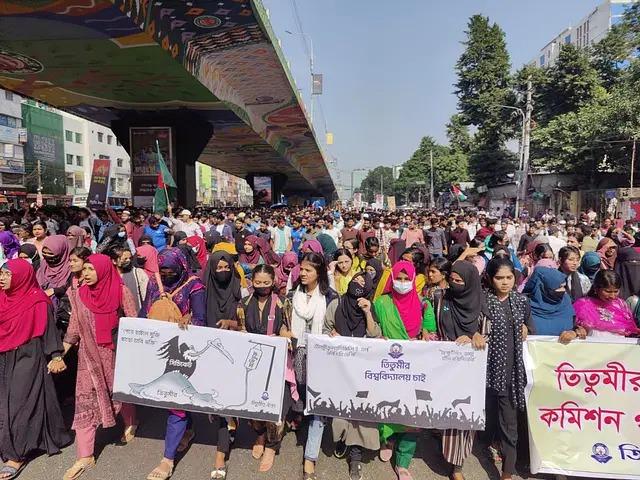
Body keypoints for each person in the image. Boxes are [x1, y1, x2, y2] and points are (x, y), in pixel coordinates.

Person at [62, 254, 138, 480]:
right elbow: (74, 326)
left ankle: (131, 421)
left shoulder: (120, 291)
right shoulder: (79, 295)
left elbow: (134, 321)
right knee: (85, 400)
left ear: (103, 270)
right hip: (88, 358)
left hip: (114, 354)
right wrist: (60, 354)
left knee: (118, 392)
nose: (85, 273)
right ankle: (85, 454)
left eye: (91, 269)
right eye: (84, 269)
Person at [0, 259, 71, 479]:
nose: (1, 278)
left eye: (6, 274)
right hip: (3, 355)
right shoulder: (2, 299)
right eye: (1, 273)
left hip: (28, 356)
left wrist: (56, 355)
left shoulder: (38, 301)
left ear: (21, 277)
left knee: (20, 404)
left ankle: (17, 455)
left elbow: (49, 332)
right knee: (4, 402)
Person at [142, 249, 206, 480]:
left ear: (181, 267)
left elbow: (201, 319)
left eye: (172, 271)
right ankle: (187, 430)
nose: (167, 275)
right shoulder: (154, 282)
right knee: (173, 398)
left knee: (176, 404)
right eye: (164, 271)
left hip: (181, 352)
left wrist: (189, 321)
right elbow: (144, 312)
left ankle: (167, 460)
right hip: (159, 349)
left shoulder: (194, 286)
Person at [372, 260, 436, 480]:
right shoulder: (381, 303)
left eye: (406, 279)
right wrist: (378, 336)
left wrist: (427, 333)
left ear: (413, 279)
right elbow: (373, 328)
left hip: (414, 367)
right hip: (387, 364)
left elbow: (430, 329)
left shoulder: (423, 303)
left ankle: (403, 462)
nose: (401, 283)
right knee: (386, 404)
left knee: (412, 412)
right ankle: (386, 439)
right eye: (398, 279)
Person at [235, 265, 293, 473]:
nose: (262, 287)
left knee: (274, 404)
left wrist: (285, 335)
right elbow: (241, 327)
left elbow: (287, 327)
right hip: (253, 359)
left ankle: (272, 445)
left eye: (266, 283)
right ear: (252, 282)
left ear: (273, 282)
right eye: (257, 283)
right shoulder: (244, 302)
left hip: (276, 361)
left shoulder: (282, 303)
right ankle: (259, 433)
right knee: (253, 401)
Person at [431, 261, 485, 480]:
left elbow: (488, 331)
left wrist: (476, 337)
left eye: (460, 281)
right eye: (452, 279)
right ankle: (440, 439)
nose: (454, 284)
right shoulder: (440, 297)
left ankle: (457, 466)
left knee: (462, 415)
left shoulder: (482, 302)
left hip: (471, 370)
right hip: (443, 366)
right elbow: (433, 325)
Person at [324, 273, 380, 480]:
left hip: (363, 370)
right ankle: (342, 438)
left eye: (364, 284)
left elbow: (375, 335)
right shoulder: (336, 303)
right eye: (356, 280)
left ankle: (356, 457)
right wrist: (332, 336)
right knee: (340, 410)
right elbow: (326, 328)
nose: (359, 285)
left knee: (360, 412)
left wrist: (367, 313)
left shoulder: (370, 306)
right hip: (339, 368)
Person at [287, 252, 338, 480]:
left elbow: (338, 325)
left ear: (319, 272)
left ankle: (310, 458)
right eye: (302, 269)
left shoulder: (330, 297)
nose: (303, 273)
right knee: (298, 398)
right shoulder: (290, 296)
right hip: (294, 356)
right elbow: (282, 321)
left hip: (320, 359)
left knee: (317, 407)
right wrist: (283, 330)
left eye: (308, 269)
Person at [482, 258, 533, 480]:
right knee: (489, 417)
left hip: (513, 375)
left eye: (509, 277)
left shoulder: (521, 302)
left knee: (509, 425)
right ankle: (488, 444)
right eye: (499, 278)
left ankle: (507, 473)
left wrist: (526, 328)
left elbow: (532, 330)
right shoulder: (483, 301)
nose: (505, 283)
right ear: (490, 279)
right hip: (488, 372)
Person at [574, 270, 640, 338]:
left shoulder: (621, 305)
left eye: (616, 291)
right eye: (608, 291)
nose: (612, 296)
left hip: (620, 346)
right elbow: (577, 328)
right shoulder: (583, 305)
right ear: (596, 289)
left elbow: (630, 330)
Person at [523, 267, 577, 342]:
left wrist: (574, 333)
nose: (563, 290)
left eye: (564, 286)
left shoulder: (566, 301)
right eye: (559, 287)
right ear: (543, 288)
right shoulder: (523, 306)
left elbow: (575, 327)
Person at [108, 245, 148, 314]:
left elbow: (146, 295)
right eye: (125, 259)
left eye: (130, 258)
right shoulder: (109, 277)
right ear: (114, 261)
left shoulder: (138, 273)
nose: (128, 261)